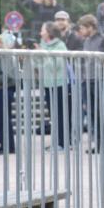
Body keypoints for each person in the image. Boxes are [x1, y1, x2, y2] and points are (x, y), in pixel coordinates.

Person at [38, 22, 69, 151]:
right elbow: (39, 65)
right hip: (47, 84)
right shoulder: (43, 45)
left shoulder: (60, 46)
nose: (40, 33)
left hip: (59, 84)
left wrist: (43, 54)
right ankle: (56, 142)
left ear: (49, 32)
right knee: (53, 116)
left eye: (42, 30)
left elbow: (55, 66)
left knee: (60, 115)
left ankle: (63, 143)